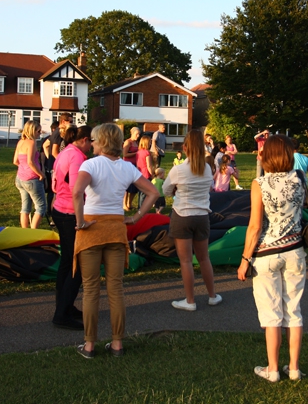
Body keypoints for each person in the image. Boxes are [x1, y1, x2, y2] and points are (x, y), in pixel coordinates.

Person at [71, 123, 158, 359]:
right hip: (116, 228)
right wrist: (136, 216)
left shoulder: (90, 164)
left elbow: (77, 192)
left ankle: (89, 345)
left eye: (93, 140)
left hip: (91, 228)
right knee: (115, 289)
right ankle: (117, 343)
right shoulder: (127, 168)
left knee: (90, 290)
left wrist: (80, 222)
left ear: (101, 141)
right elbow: (153, 192)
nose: (92, 143)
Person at [237, 134, 306, 382]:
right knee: (293, 311)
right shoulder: (300, 179)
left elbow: (255, 226)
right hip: (295, 250)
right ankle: (295, 368)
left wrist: (245, 259)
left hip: (266, 253)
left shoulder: (259, 184)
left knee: (271, 314)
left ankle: (273, 368)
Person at [164, 129, 221, 311]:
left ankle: (190, 301)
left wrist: (176, 191)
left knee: (186, 261)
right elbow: (210, 188)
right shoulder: (207, 169)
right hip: (202, 216)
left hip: (182, 216)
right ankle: (212, 296)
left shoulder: (178, 170)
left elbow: (165, 190)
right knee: (204, 258)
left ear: (186, 148)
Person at [50, 125, 93, 330]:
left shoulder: (65, 151)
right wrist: (80, 219)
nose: (92, 146)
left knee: (67, 262)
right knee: (77, 264)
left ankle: (64, 306)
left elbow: (56, 180)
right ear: (84, 139)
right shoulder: (77, 157)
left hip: (60, 207)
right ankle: (61, 314)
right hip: (69, 213)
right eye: (91, 142)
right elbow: (78, 189)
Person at [13, 120, 46, 229]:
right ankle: (33, 231)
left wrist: (23, 168)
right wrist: (41, 174)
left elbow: (15, 161)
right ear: (32, 130)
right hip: (32, 179)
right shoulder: (31, 143)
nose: (40, 133)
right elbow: (30, 162)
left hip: (20, 178)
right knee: (41, 207)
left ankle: (24, 232)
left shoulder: (20, 142)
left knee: (25, 207)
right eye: (38, 131)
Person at [41, 120, 59, 221]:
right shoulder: (50, 138)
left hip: (51, 166)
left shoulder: (49, 139)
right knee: (53, 192)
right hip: (52, 167)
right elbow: (43, 150)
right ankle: (50, 211)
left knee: (52, 191)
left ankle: (50, 211)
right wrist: (47, 161)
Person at [122, 126, 141, 212]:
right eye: (136, 134)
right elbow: (125, 154)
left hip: (135, 165)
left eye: (139, 134)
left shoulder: (136, 142)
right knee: (126, 186)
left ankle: (130, 203)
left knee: (134, 186)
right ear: (132, 133)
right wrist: (136, 153)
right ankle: (124, 204)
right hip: (127, 165)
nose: (138, 136)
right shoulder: (127, 142)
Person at [136, 135, 154, 207]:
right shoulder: (147, 153)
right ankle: (142, 207)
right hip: (146, 174)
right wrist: (152, 175)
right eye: (149, 142)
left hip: (139, 173)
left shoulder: (138, 152)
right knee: (145, 193)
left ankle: (139, 206)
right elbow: (149, 165)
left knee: (140, 192)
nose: (150, 144)